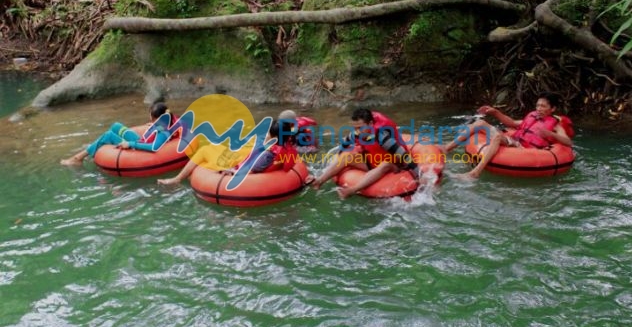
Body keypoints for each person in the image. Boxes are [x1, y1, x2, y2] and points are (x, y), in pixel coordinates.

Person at [442, 92, 574, 179]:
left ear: (553, 109)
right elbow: (511, 123)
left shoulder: (556, 125)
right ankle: (446, 149)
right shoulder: (532, 117)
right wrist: (495, 112)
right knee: (480, 123)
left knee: (498, 137)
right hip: (514, 140)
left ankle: (475, 173)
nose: (539, 108)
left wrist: (550, 134)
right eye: (538, 105)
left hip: (524, 149)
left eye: (543, 106)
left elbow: (568, 142)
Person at [311, 108, 422, 199]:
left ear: (370, 124)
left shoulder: (382, 137)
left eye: (360, 127)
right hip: (372, 162)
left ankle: (351, 191)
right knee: (347, 156)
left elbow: (404, 155)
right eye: (355, 128)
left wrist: (419, 176)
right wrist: (339, 158)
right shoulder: (355, 134)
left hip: (393, 166)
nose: (358, 131)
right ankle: (319, 181)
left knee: (385, 164)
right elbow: (343, 147)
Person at [157, 119, 299, 185]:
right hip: (240, 154)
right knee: (212, 146)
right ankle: (185, 176)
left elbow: (251, 168)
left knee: (204, 150)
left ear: (274, 135)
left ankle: (177, 179)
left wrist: (231, 172)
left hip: (234, 161)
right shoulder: (287, 147)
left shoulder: (271, 153)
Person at [61, 101, 178, 166]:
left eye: (153, 119)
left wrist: (130, 144)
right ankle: (93, 150)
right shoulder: (169, 120)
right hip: (142, 140)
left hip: (139, 148)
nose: (151, 121)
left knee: (109, 135)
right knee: (116, 126)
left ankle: (78, 158)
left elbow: (153, 148)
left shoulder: (163, 131)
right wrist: (153, 126)